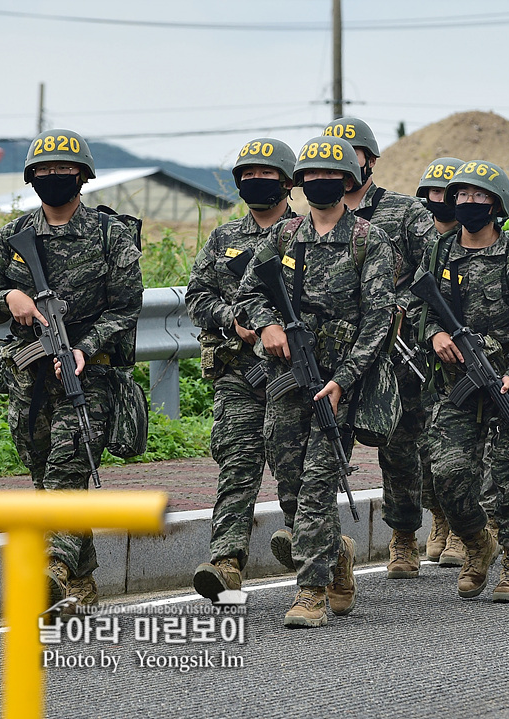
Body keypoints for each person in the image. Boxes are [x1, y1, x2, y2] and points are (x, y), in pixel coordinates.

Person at [0, 128, 143, 609]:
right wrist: (12, 297)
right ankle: (83, 581)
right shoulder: (13, 238)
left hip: (89, 377)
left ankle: (54, 569)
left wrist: (84, 347)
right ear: (31, 177)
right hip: (31, 379)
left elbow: (126, 308)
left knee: (68, 470)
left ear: (82, 176)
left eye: (63, 170)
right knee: (44, 477)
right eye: (44, 171)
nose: (54, 177)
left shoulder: (111, 235)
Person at [237, 135, 396, 628]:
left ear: (348, 182)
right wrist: (268, 325)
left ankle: (309, 592)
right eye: (310, 176)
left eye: (331, 177)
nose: (319, 183)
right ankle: (337, 558)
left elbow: (379, 322)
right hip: (287, 382)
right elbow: (248, 294)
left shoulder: (368, 240)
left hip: (338, 387)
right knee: (289, 487)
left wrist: (346, 380)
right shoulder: (284, 238)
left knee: (317, 487)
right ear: (300, 182)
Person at [420, 160, 509, 602]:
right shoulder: (439, 252)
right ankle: (477, 544)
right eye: (462, 196)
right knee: (448, 476)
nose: (469, 203)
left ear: (496, 204)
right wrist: (434, 334)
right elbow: (423, 313)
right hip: (456, 386)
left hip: (508, 385)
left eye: (479, 197)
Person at [322, 117, 438, 580]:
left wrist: (399, 308)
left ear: (368, 159)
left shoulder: (405, 213)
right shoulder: (312, 220)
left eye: (352, 154)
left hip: (398, 353)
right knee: (327, 446)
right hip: (337, 357)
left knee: (402, 449)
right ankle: (320, 537)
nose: (342, 166)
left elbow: (432, 272)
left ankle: (406, 535)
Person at [186, 138, 299, 600]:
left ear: (288, 182)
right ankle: (227, 561)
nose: (256, 182)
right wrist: (230, 319)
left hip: (295, 376)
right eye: (247, 176)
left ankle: (319, 549)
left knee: (297, 469)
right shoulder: (224, 238)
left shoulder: (310, 233)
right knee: (237, 464)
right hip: (239, 374)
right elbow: (197, 295)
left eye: (266, 175)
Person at [415, 156, 466, 566]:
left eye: (450, 192)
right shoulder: (421, 240)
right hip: (420, 360)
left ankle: (468, 530)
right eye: (434, 192)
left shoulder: (487, 241)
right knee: (424, 451)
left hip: (470, 361)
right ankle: (439, 519)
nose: (442, 200)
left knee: (466, 453)